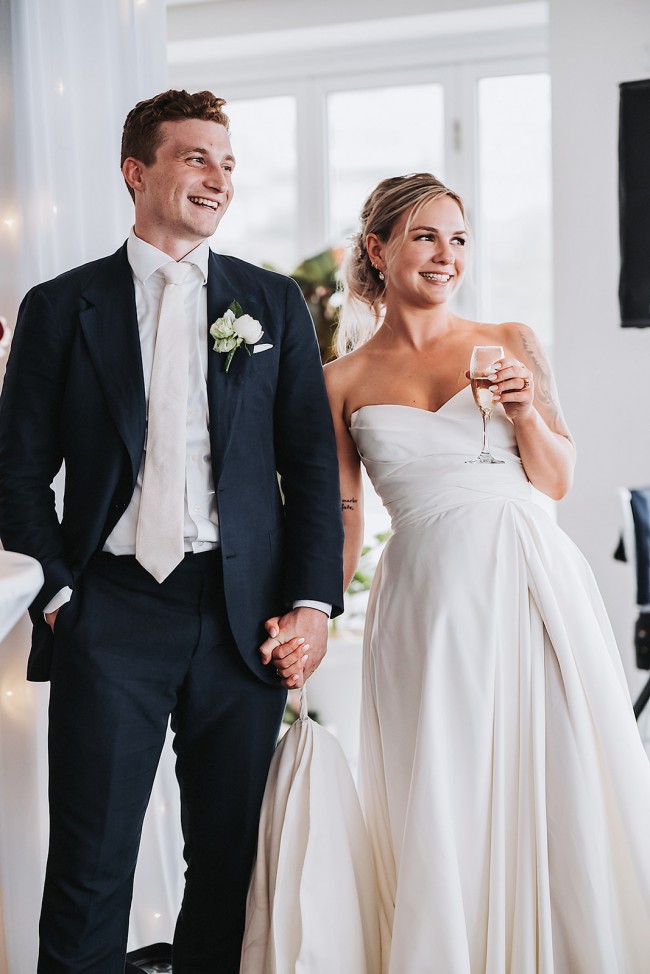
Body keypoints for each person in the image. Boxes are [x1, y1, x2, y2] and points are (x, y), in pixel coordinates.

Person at [0, 89, 343, 973]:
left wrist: (311, 603)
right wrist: (59, 594)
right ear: (136, 171)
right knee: (90, 868)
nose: (217, 178)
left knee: (229, 869)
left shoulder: (271, 304)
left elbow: (311, 468)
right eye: (196, 157)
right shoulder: (60, 306)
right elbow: (17, 471)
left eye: (227, 163)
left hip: (242, 616)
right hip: (108, 608)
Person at [323, 172, 650, 973]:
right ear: (378, 250)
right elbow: (344, 517)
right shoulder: (342, 381)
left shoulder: (512, 340)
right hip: (427, 602)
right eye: (426, 236)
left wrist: (524, 410)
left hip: (533, 583)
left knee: (558, 769)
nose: (447, 255)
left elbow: (556, 480)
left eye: (459, 239)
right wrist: (312, 614)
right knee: (445, 782)